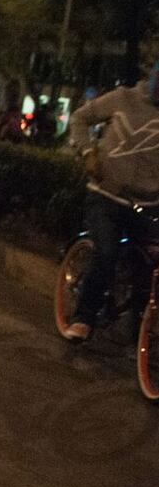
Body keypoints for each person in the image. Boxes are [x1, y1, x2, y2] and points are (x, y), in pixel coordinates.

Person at [62, 63, 159, 340]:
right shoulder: (123, 98)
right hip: (106, 195)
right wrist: (88, 151)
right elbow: (80, 118)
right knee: (106, 253)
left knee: (150, 266)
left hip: (148, 203)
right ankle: (83, 317)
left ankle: (140, 328)